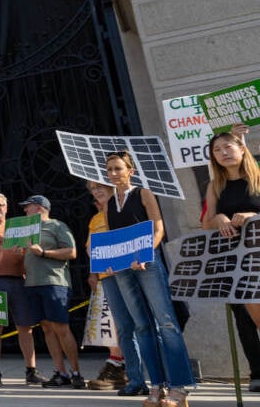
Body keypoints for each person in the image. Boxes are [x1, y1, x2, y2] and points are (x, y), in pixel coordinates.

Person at [104, 151, 194, 407]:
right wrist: (107, 258)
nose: (113, 173)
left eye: (118, 168)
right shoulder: (110, 202)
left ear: (130, 170)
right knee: (142, 326)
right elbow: (113, 237)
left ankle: (180, 387)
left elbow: (158, 228)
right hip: (123, 269)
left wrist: (145, 254)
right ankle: (157, 386)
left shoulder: (143, 193)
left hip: (147, 263)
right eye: (109, 169)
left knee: (166, 322)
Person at [202, 128, 260, 393]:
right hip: (235, 260)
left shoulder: (258, 177)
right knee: (244, 316)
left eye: (227, 147)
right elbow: (206, 223)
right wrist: (220, 219)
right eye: (216, 150)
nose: (223, 153)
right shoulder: (214, 185)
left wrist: (252, 216)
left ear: (242, 148)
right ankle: (257, 371)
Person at [0, 191, 47, 386]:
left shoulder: (18, 227)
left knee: (25, 327)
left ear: (6, 207)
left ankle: (31, 370)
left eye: (0, 205)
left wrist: (24, 253)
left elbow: (31, 251)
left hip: (19, 280)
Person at [84, 181, 146, 395]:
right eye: (93, 190)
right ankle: (122, 366)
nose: (97, 192)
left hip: (129, 273)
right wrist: (95, 272)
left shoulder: (125, 211)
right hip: (106, 276)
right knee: (116, 325)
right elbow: (92, 248)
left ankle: (135, 370)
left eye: (100, 186)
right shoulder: (95, 219)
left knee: (138, 323)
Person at [18, 195, 85, 388]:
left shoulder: (57, 226)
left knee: (61, 327)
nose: (25, 211)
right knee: (47, 328)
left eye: (28, 207)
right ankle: (60, 372)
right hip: (32, 284)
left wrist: (44, 253)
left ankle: (76, 373)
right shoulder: (26, 231)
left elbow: (71, 252)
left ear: (39, 208)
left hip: (54, 282)